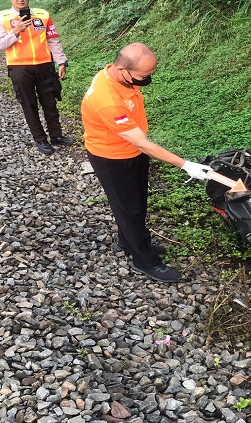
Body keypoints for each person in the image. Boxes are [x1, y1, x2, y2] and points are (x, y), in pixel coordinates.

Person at [80, 42, 213, 283]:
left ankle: (127, 241)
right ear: (123, 70)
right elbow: (143, 143)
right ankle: (145, 260)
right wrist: (185, 165)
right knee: (128, 209)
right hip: (112, 157)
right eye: (144, 76)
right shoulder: (107, 100)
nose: (147, 80)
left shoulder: (115, 75)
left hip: (129, 150)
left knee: (137, 201)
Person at [0, 0, 74, 155]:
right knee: (29, 105)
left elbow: (53, 40)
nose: (20, 0)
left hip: (44, 66)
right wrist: (16, 31)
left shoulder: (43, 15)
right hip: (19, 68)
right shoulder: (2, 18)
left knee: (50, 102)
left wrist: (61, 62)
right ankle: (40, 139)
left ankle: (56, 136)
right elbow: (1, 45)